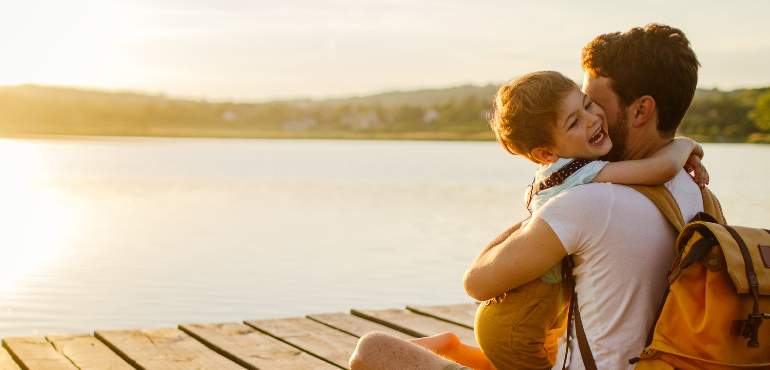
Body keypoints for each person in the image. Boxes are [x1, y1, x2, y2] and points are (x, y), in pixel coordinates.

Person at [349, 23, 705, 370]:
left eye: (594, 103)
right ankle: (453, 348)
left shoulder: (592, 203)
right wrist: (682, 146)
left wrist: (544, 206)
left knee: (374, 349)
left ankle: (451, 350)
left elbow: (477, 281)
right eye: (577, 115)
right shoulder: (697, 194)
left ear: (641, 110)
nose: (593, 119)